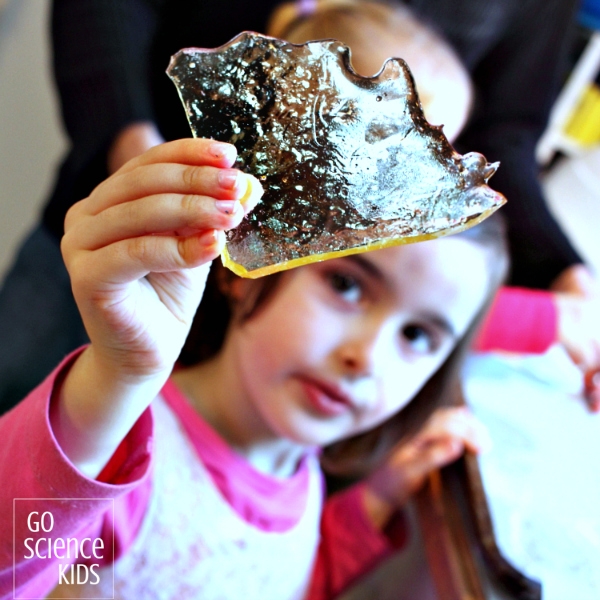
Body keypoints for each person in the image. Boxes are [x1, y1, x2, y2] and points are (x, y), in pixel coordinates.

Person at [0, 7, 509, 598]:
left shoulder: (301, 477)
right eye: (346, 286)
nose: (365, 357)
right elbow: (21, 554)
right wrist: (114, 382)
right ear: (257, 254)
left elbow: (276, 577)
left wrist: (376, 502)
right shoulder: (122, 465)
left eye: (417, 335)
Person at [0, 0, 596, 413]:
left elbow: (504, 145)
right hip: (118, 230)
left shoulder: (321, 257)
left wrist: (568, 282)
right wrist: (132, 147)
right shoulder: (285, 246)